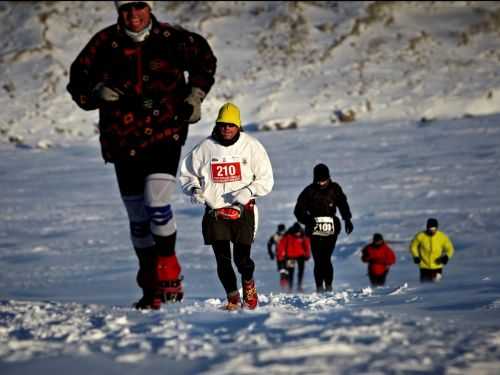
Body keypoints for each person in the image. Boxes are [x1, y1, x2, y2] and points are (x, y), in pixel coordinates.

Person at [66, 1, 217, 309]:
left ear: (149, 8)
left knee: (157, 203)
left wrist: (195, 95)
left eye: (139, 7)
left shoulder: (175, 39)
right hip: (122, 139)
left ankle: (168, 266)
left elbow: (205, 62)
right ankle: (151, 286)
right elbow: (77, 80)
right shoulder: (104, 43)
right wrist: (94, 94)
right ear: (118, 11)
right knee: (138, 216)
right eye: (125, 9)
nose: (133, 15)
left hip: (165, 131)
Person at [179, 103, 274, 310]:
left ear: (238, 126)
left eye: (231, 125)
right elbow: (187, 174)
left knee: (242, 259)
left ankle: (248, 284)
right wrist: (194, 189)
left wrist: (247, 192)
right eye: (222, 125)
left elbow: (266, 180)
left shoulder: (252, 146)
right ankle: (232, 298)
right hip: (215, 212)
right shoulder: (205, 148)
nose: (226, 129)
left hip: (244, 211)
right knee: (223, 260)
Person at [294, 163, 353, 292]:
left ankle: (329, 286)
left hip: (331, 229)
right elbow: (298, 211)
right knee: (318, 259)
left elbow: (343, 203)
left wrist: (347, 219)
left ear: (328, 177)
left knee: (326, 258)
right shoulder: (309, 191)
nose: (321, 183)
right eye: (318, 181)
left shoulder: (335, 189)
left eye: (324, 180)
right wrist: (308, 220)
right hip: (314, 230)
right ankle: (319, 287)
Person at [410, 218, 454, 282]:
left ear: (437, 228)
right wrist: (416, 256)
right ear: (427, 228)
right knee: (425, 285)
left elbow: (450, 249)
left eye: (434, 229)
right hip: (424, 267)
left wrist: (446, 257)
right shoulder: (420, 236)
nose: (432, 231)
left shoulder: (442, 236)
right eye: (430, 229)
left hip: (437, 266)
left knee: (436, 287)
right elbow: (413, 246)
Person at [276, 222, 311, 292]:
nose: (297, 234)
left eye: (299, 233)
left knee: (301, 271)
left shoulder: (303, 235)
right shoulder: (287, 236)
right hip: (290, 256)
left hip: (301, 256)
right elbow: (281, 246)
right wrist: (280, 257)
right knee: (291, 272)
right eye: (296, 233)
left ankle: (299, 286)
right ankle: (290, 287)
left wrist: (307, 255)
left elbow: (307, 246)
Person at [267, 223, 288, 288]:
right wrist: (271, 253)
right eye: (281, 230)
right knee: (282, 270)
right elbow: (269, 244)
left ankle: (288, 286)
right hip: (280, 255)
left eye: (283, 230)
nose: (282, 232)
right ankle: (284, 286)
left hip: (289, 255)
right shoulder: (275, 236)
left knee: (287, 270)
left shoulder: (288, 235)